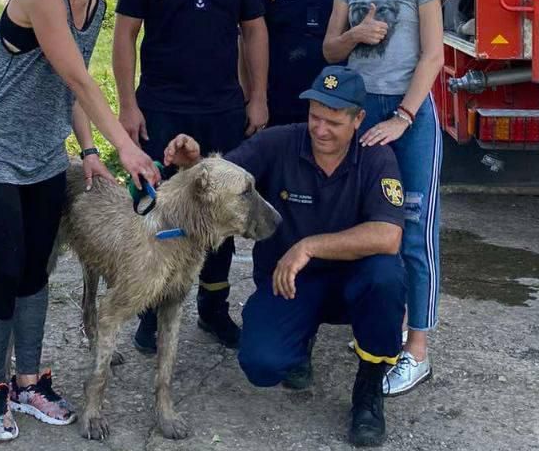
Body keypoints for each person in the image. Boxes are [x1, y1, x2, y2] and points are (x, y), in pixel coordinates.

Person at [0, 0, 159, 442]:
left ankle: (29, 381)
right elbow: (78, 77)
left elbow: (68, 94)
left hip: (45, 157)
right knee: (2, 273)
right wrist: (127, 147)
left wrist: (90, 150)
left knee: (36, 272)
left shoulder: (94, 5)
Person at [163, 66, 406, 448]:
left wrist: (308, 246)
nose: (320, 130)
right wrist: (195, 163)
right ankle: (299, 341)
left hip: (354, 285)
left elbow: (389, 235)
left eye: (334, 122)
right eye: (315, 118)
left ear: (359, 120)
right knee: (261, 365)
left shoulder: (377, 159)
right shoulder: (280, 142)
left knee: (387, 276)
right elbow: (225, 175)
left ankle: (368, 391)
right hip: (291, 283)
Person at [112, 0, 269, 352]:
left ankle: (213, 310)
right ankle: (148, 310)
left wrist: (258, 95)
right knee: (154, 208)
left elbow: (255, 32)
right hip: (159, 108)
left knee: (218, 212)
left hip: (222, 109)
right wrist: (127, 104)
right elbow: (125, 35)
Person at [323, 0, 445, 397]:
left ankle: (416, 350)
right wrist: (357, 34)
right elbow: (330, 49)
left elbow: (433, 56)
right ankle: (376, 327)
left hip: (407, 114)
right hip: (357, 111)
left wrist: (402, 116)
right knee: (361, 225)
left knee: (413, 232)